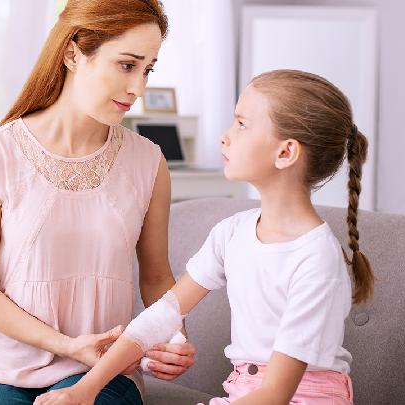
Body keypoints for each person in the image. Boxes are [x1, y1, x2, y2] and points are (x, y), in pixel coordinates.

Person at [34, 69, 375, 405]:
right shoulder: (232, 233)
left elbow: (276, 394)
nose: (225, 136)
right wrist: (85, 389)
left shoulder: (316, 260)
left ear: (285, 153)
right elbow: (161, 316)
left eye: (242, 124)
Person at [0, 1, 197, 404]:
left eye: (147, 69)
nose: (139, 88)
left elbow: (156, 278)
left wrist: (174, 336)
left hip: (102, 370)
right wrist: (67, 344)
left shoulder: (148, 162)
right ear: (72, 53)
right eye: (127, 65)